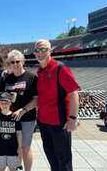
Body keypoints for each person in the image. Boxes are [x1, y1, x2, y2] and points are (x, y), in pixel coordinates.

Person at [34, 39, 80, 171]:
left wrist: (72, 118)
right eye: (37, 50)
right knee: (51, 157)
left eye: (43, 49)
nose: (40, 52)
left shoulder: (60, 68)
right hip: (43, 122)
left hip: (59, 123)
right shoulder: (40, 71)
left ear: (50, 51)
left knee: (63, 160)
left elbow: (74, 93)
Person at [0, 50, 38, 171]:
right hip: (10, 119)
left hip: (26, 117)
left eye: (17, 61)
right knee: (14, 147)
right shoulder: (7, 78)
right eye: (12, 62)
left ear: (23, 61)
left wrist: (23, 110)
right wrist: (5, 74)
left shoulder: (31, 77)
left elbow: (37, 100)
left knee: (25, 147)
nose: (15, 64)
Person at [0, 92, 22, 171]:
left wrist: (20, 147)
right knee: (1, 168)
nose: (4, 104)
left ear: (10, 103)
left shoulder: (14, 116)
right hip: (0, 149)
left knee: (13, 168)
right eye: (2, 102)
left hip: (13, 149)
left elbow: (18, 133)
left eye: (6, 102)